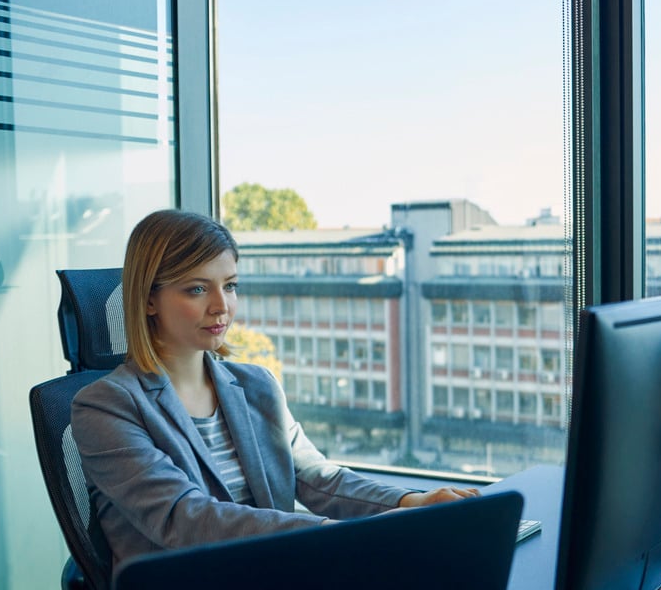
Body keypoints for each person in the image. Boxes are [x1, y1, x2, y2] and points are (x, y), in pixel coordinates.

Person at [71, 209, 477, 567]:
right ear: (149, 300)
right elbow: (185, 519)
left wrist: (411, 502)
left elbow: (316, 477)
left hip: (273, 584)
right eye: (197, 288)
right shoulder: (106, 407)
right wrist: (335, 534)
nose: (221, 306)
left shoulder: (255, 385)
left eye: (229, 285)